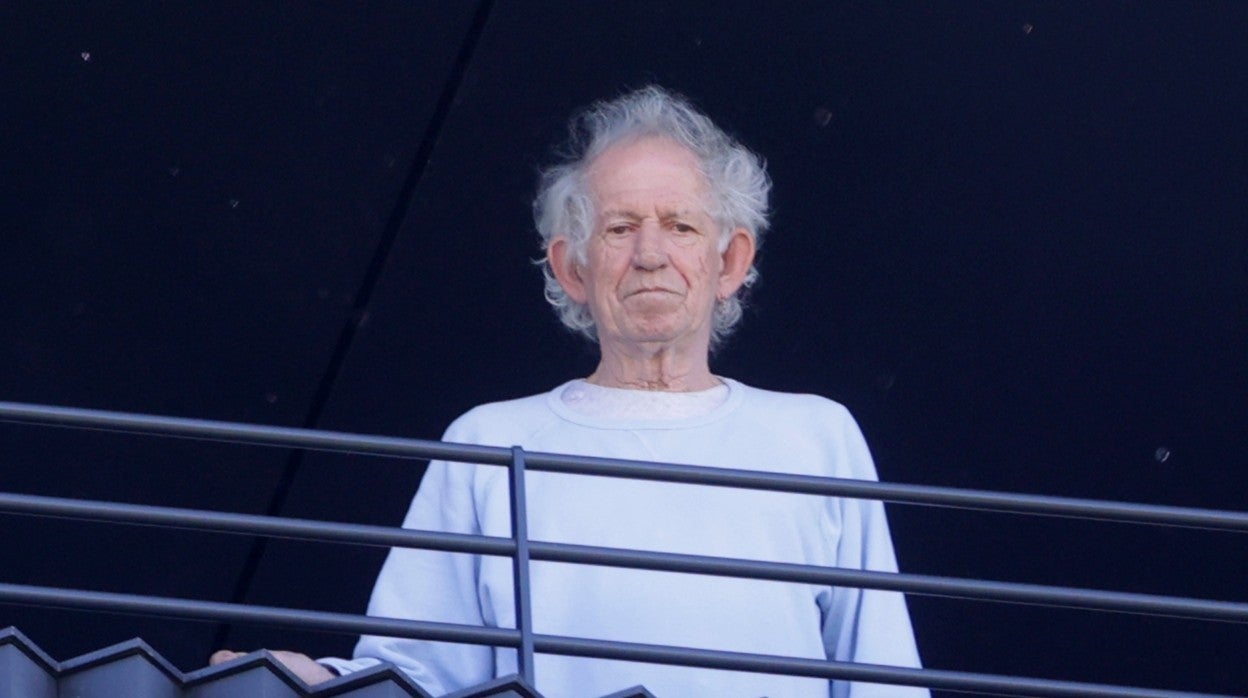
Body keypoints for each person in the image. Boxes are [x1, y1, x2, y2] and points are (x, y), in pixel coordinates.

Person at [212, 86, 928, 697]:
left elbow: (884, 680)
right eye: (620, 228)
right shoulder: (489, 442)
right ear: (572, 268)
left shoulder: (815, 436)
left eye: (680, 225)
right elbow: (414, 675)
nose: (651, 254)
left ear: (731, 259)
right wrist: (313, 683)